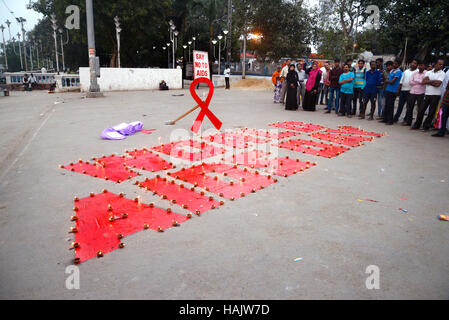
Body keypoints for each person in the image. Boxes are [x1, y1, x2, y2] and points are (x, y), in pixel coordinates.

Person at [412, 59, 446, 131]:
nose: (441, 66)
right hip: (427, 94)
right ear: (436, 64)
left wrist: (429, 81)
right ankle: (417, 125)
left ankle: (426, 126)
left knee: (431, 112)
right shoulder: (429, 72)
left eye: (442, 64)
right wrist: (433, 81)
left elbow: (438, 84)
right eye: (439, 64)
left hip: (436, 95)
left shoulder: (442, 73)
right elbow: (423, 81)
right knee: (421, 110)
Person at [404, 61, 427, 126]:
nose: (420, 67)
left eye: (422, 65)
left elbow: (423, 82)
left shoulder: (426, 73)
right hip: (412, 92)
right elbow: (411, 82)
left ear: (424, 66)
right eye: (419, 65)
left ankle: (418, 123)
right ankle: (409, 122)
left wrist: (416, 81)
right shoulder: (415, 73)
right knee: (410, 108)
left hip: (421, 93)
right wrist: (419, 82)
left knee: (420, 109)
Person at [382, 60, 403, 125]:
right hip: (388, 89)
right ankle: (385, 119)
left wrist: (388, 81)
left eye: (396, 64)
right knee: (387, 105)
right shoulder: (392, 71)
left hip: (394, 90)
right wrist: (388, 81)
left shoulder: (399, 72)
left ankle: (390, 120)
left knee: (390, 105)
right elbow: (387, 79)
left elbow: (391, 81)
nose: (394, 65)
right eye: (394, 63)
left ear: (399, 65)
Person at [432, 70, 449, 137]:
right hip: (446, 101)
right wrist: (443, 101)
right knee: (443, 117)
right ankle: (441, 132)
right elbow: (447, 89)